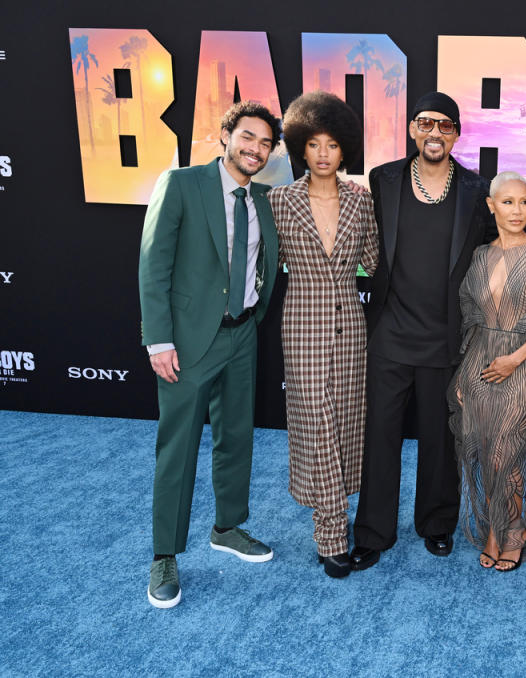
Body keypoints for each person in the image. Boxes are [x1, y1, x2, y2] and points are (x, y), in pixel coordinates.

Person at [139, 101, 281, 608]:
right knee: (177, 449)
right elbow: (153, 264)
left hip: (243, 335)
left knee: (236, 437)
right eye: (247, 137)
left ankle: (228, 527)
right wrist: (159, 340)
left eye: (265, 143)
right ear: (226, 135)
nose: (255, 149)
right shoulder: (181, 184)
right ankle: (164, 555)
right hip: (188, 341)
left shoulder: (264, 199)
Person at [349, 92, 496, 570]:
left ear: (457, 134)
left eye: (445, 126)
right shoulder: (384, 179)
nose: (435, 133)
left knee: (440, 439)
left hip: (446, 336)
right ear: (412, 128)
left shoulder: (475, 190)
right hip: (390, 332)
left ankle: (436, 524)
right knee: (381, 436)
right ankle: (372, 531)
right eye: (426, 123)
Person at [266, 92, 378, 579]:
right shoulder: (279, 200)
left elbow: (375, 260)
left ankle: (334, 511)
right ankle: (331, 533)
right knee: (316, 421)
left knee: (347, 423)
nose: (325, 153)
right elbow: (262, 263)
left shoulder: (361, 200)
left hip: (352, 326)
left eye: (333, 144)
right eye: (314, 144)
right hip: (303, 321)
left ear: (344, 148)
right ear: (300, 148)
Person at [448, 172, 526, 571]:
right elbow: (470, 320)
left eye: (524, 202)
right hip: (481, 364)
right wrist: (466, 374)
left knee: (507, 454)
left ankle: (511, 533)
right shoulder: (480, 256)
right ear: (491, 205)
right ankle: (495, 529)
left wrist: (514, 360)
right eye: (508, 202)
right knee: (484, 453)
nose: (517, 211)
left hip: (523, 362)